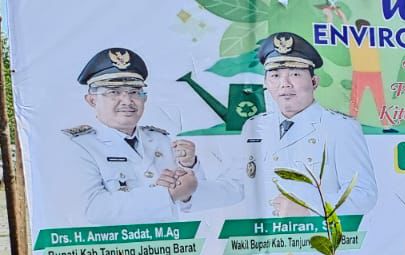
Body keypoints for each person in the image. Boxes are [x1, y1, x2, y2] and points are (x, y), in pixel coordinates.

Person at [65, 47, 237, 224]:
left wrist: (189, 166)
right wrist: (166, 194)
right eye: (114, 92)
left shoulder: (161, 140)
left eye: (134, 92)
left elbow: (193, 202)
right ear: (92, 100)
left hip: (171, 246)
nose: (127, 101)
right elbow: (92, 210)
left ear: (144, 98)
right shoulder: (78, 146)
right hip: (114, 249)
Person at [234, 32, 378, 217]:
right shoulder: (254, 127)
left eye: (295, 74)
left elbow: (363, 195)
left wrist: (309, 208)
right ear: (266, 83)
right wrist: (191, 184)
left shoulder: (339, 127)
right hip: (263, 240)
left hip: (315, 241)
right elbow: (237, 186)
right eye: (275, 75)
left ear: (314, 82)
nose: (284, 84)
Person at [346, 19, 394, 131]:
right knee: (355, 101)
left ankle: (386, 126)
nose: (367, 31)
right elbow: (347, 27)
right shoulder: (353, 39)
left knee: (380, 100)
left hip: (375, 73)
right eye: (365, 29)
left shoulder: (372, 41)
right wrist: (340, 15)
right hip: (360, 73)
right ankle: (350, 126)